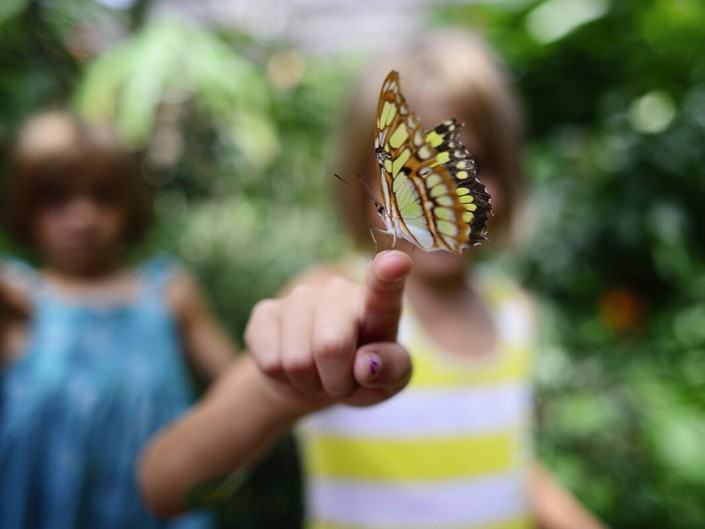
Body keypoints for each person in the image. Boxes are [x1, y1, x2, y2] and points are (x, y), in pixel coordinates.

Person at [289, 29, 608, 529]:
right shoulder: (330, 299)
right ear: (362, 184)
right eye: (415, 168)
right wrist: (276, 374)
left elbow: (508, 461)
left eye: (471, 164)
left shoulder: (515, 313)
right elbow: (173, 471)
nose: (442, 186)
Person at [0, 111, 236, 529]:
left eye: (103, 196)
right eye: (56, 200)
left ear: (130, 204)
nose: (82, 218)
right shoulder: (18, 302)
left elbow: (238, 386)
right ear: (27, 208)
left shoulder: (167, 294)